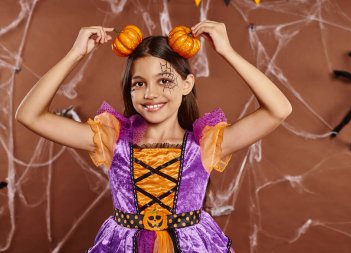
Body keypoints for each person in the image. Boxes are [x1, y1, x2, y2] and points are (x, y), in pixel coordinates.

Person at [15, 20, 292, 252]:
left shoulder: (204, 145)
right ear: (129, 89)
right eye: (139, 83)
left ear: (187, 85)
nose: (151, 93)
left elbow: (279, 109)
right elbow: (30, 115)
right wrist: (75, 54)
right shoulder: (112, 141)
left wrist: (227, 51)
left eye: (165, 81)